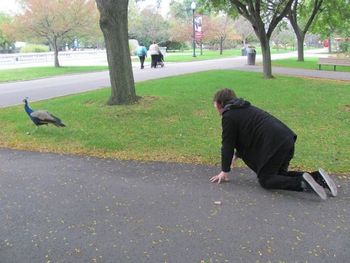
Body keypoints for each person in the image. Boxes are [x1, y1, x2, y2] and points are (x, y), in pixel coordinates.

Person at [210, 88, 338, 200]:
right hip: (287, 139)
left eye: (215, 105)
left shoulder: (229, 115)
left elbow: (227, 144)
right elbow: (246, 132)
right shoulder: (243, 108)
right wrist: (237, 154)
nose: (215, 108)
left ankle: (303, 183)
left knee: (266, 180)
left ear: (220, 103)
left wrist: (224, 171)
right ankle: (318, 178)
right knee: (279, 176)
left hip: (275, 144)